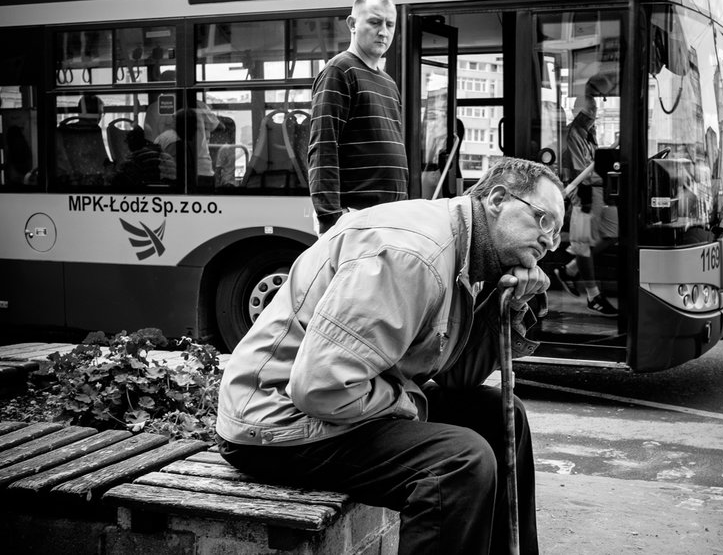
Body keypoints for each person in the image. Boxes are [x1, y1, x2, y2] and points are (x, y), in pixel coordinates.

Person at [216, 157, 563, 555]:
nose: (549, 242)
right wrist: (410, 403)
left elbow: (458, 378)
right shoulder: (412, 255)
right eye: (544, 220)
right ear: (498, 198)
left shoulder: (469, 252)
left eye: (556, 233)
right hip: (275, 421)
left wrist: (511, 305)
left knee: (502, 416)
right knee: (459, 462)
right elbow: (320, 388)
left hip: (340, 402)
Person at [308, 0, 408, 235]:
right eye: (375, 22)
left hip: (390, 218)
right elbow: (323, 146)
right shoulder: (339, 71)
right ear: (352, 24)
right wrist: (331, 221)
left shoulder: (389, 83)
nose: (383, 31)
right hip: (355, 220)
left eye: (390, 24)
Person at [553, 77, 619, 317]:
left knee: (613, 232)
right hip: (585, 192)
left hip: (600, 188)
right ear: (580, 113)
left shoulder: (590, 134)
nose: (594, 115)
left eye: (595, 110)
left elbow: (596, 163)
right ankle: (594, 296)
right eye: (590, 110)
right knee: (582, 245)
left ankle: (570, 270)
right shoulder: (573, 135)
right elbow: (583, 172)